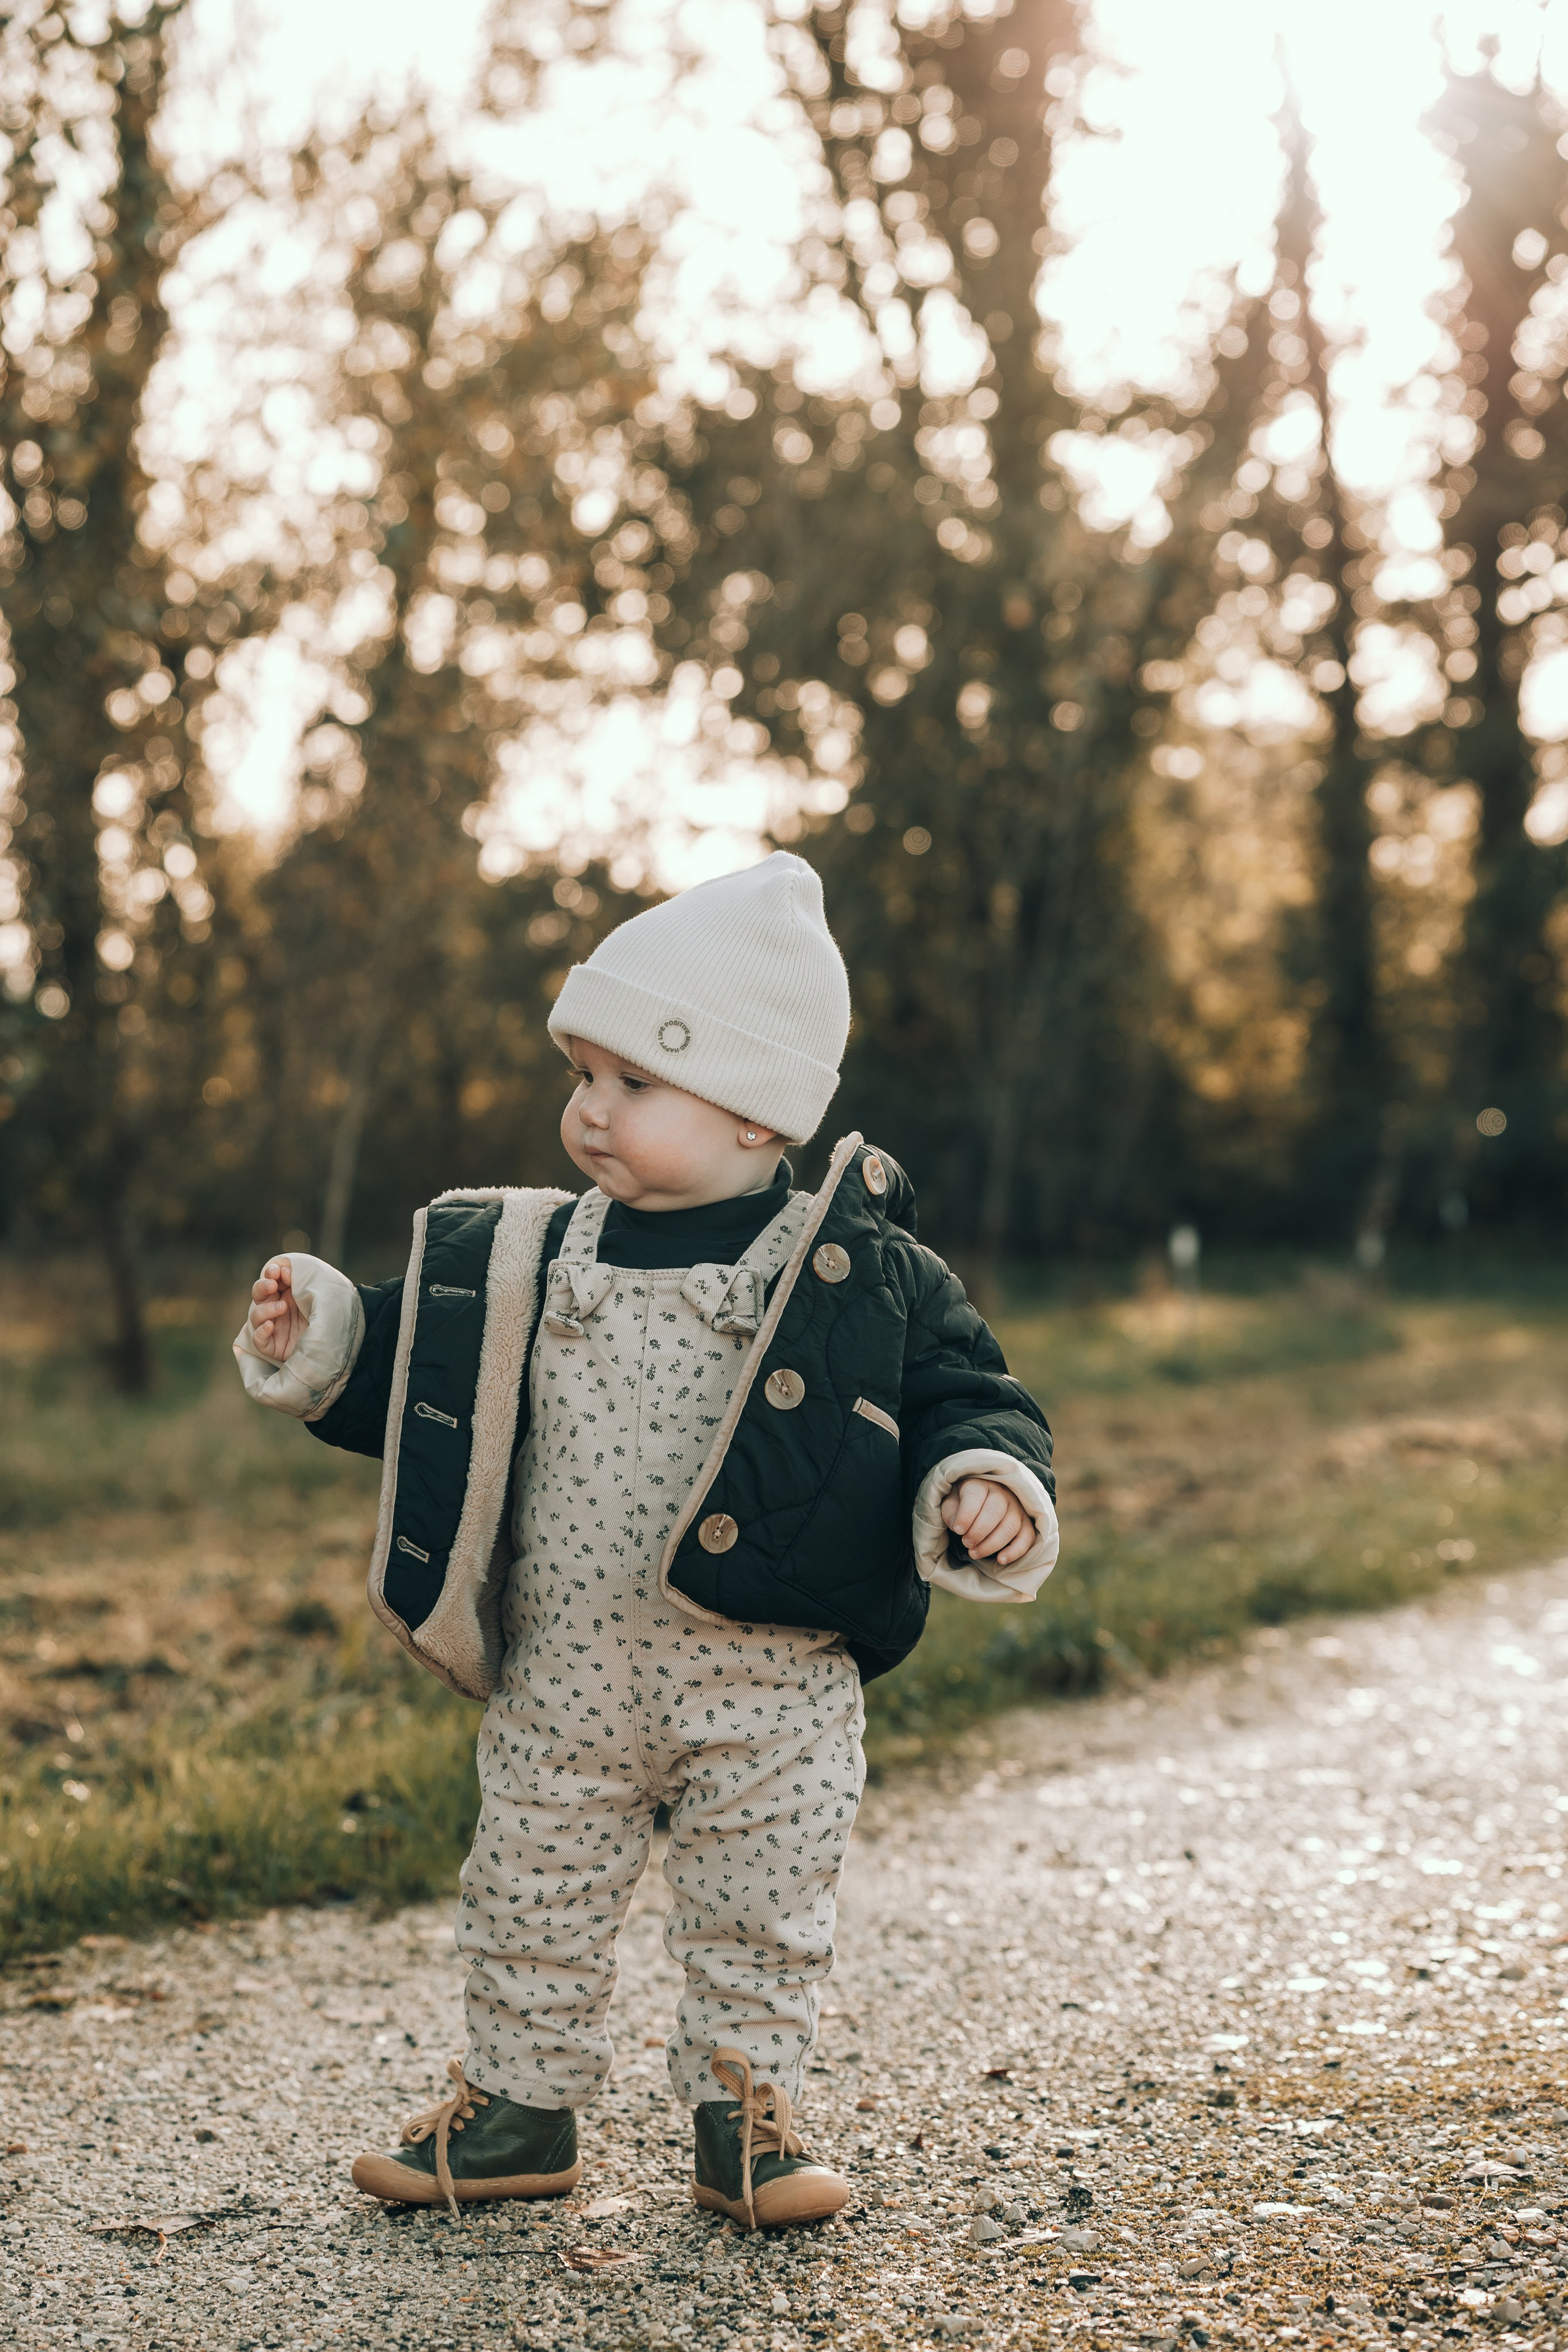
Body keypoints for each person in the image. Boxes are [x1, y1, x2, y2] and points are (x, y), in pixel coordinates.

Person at [235, 851, 1057, 2229]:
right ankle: (515, 2110)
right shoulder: (533, 1256)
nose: (590, 1112)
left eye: (634, 1084)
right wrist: (323, 1332)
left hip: (773, 1688)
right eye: (581, 1079)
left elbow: (968, 1397)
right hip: (567, 1676)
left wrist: (980, 1479)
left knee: (758, 1912)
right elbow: (423, 1371)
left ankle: (747, 2124)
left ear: (754, 1115)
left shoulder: (857, 1270)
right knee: (529, 1892)